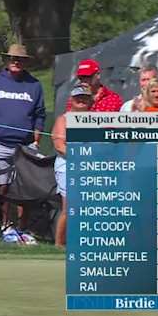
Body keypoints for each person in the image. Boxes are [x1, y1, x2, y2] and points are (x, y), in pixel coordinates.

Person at [0, 44, 46, 233]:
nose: (16, 62)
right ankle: (6, 225)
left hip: (25, 146)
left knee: (25, 189)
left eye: (20, 59)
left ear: (25, 62)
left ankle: (23, 228)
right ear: (7, 61)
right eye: (13, 58)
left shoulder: (34, 85)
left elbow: (40, 116)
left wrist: (36, 142)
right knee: (3, 187)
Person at [51, 84, 94, 247]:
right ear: (72, 99)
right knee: (69, 207)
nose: (81, 100)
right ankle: (59, 245)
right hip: (67, 166)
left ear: (90, 100)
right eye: (78, 97)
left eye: (85, 97)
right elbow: (60, 146)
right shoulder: (63, 120)